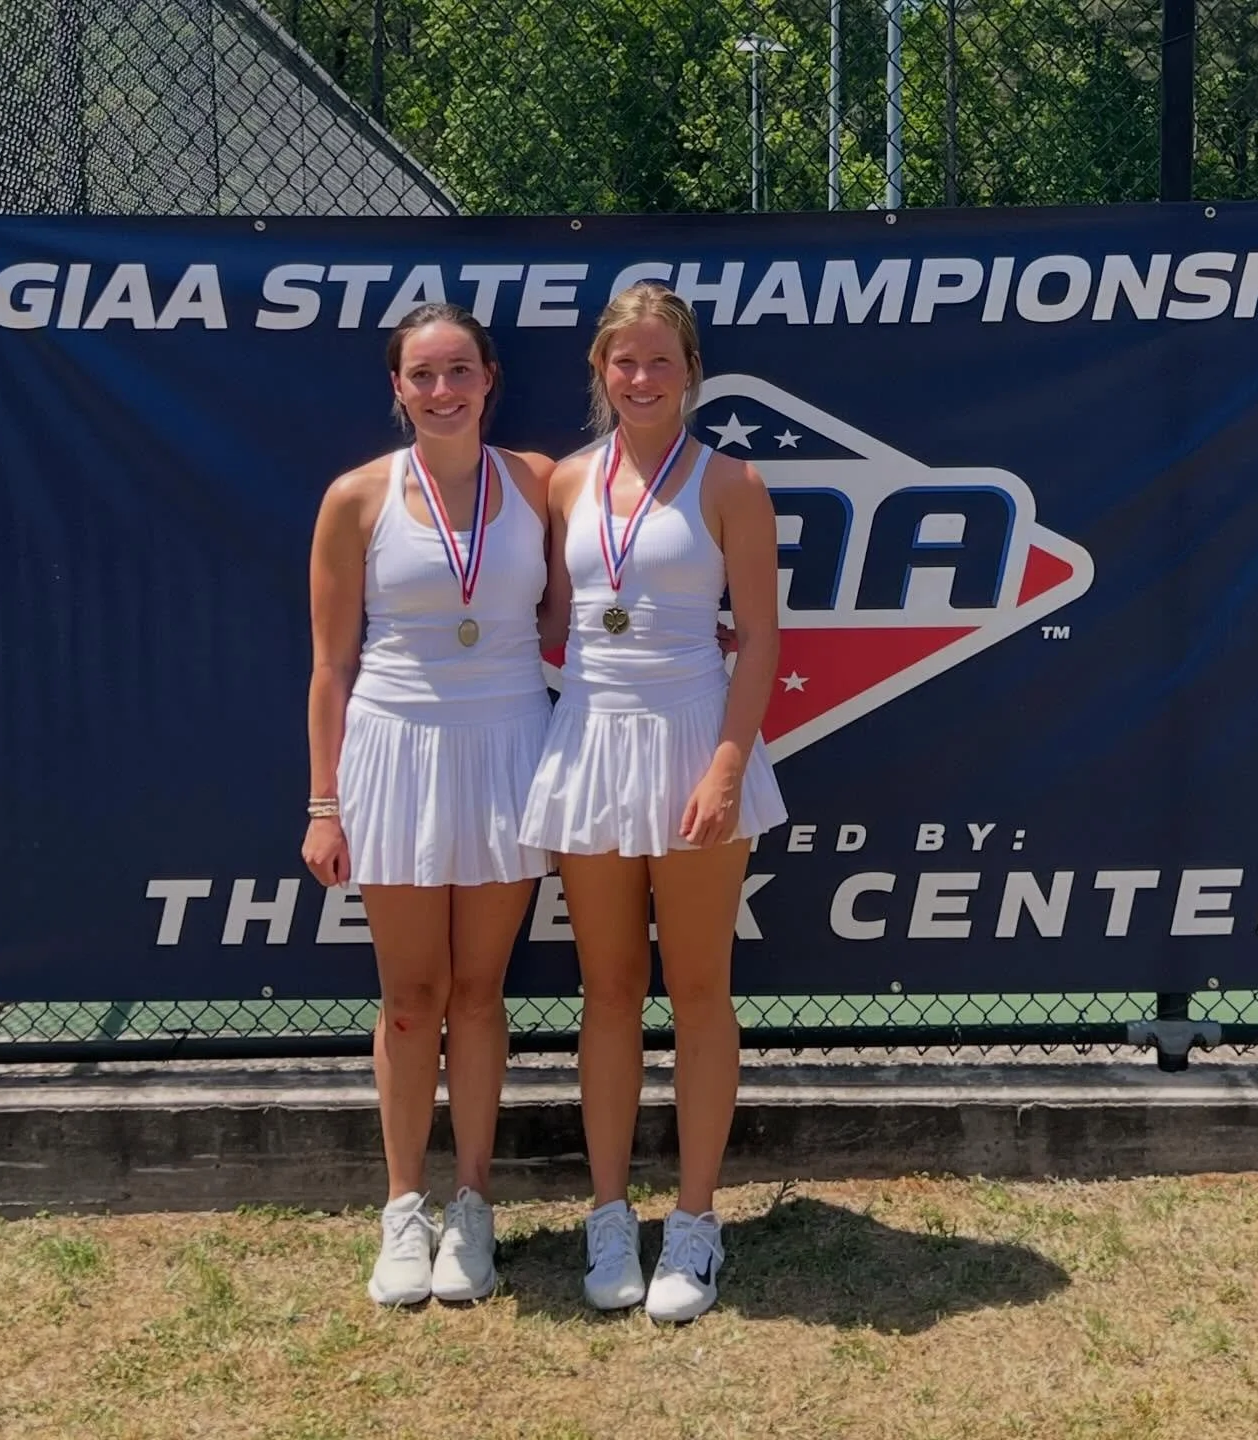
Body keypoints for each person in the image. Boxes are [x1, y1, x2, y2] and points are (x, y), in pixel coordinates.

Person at [520, 282, 787, 1322]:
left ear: (690, 373)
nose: (641, 378)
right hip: (588, 740)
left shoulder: (732, 484)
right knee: (608, 991)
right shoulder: (563, 484)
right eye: (623, 361)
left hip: (692, 744)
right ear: (599, 371)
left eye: (660, 361)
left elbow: (760, 636)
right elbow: (543, 614)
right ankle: (608, 1215)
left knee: (702, 990)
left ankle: (695, 1222)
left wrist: (726, 763)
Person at [302, 302, 554, 1307]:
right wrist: (325, 802)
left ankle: (475, 1207)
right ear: (396, 389)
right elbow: (330, 666)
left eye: (460, 371)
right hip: (393, 751)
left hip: (508, 746)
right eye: (422, 375)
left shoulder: (541, 482)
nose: (442, 391)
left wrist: (683, 639)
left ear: (491, 378)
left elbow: (609, 585)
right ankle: (403, 1207)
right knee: (412, 1001)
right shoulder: (355, 498)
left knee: (481, 993)